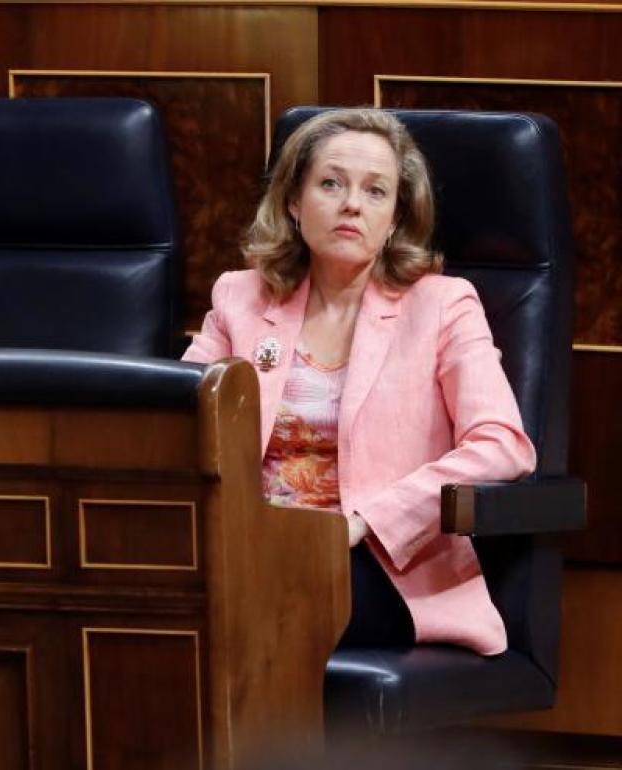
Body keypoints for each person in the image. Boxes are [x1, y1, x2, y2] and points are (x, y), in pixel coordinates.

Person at [182, 108, 535, 655]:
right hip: (248, 552)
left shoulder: (443, 306)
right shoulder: (241, 297)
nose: (352, 203)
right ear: (293, 202)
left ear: (394, 218)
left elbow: (502, 446)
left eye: (376, 191)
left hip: (381, 565)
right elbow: (176, 415)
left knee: (250, 618)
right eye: (331, 183)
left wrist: (367, 521)